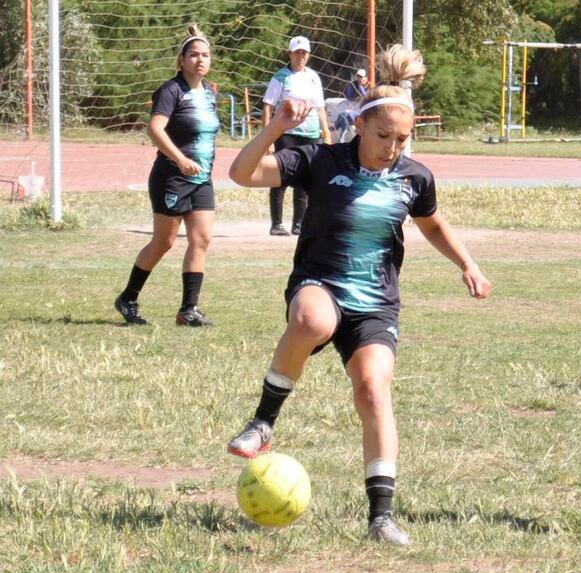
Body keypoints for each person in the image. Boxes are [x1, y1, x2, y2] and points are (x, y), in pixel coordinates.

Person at [224, 45, 492, 546]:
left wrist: (468, 264)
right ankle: (262, 422)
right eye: (384, 135)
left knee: (373, 390)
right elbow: (241, 175)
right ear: (361, 126)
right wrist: (275, 128)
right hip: (320, 284)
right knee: (311, 321)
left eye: (403, 139)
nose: (393, 147)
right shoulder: (320, 159)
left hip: (375, 303)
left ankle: (381, 517)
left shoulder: (415, 177)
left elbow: (433, 225)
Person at [114, 24, 220, 327]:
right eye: (194, 55)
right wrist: (181, 159)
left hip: (201, 179)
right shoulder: (171, 90)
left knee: (202, 239)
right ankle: (128, 297)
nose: (200, 60)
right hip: (172, 177)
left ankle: (188, 310)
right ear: (181, 60)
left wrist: (196, 163)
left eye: (205, 55)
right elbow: (155, 129)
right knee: (164, 241)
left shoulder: (210, 94)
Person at [261, 35, 332, 236]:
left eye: (304, 53)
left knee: (304, 179)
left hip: (310, 134)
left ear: (308, 55)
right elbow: (268, 105)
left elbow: (320, 107)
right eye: (297, 52)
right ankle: (276, 224)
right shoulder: (281, 76)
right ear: (290, 54)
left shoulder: (313, 77)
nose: (301, 56)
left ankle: (299, 223)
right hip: (287, 134)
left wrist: (325, 132)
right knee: (280, 178)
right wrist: (268, 136)